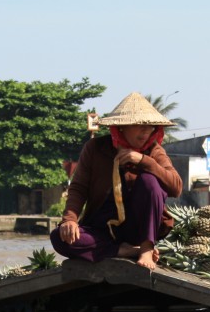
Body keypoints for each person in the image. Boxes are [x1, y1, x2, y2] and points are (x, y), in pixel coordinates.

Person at [50, 92, 183, 270]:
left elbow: (176, 187)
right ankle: (123, 250)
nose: (146, 131)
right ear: (121, 127)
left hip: (139, 230)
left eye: (150, 126)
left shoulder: (154, 151)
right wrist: (69, 220)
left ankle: (145, 249)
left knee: (150, 181)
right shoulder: (96, 148)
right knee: (59, 237)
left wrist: (144, 161)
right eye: (139, 125)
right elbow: (79, 188)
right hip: (101, 231)